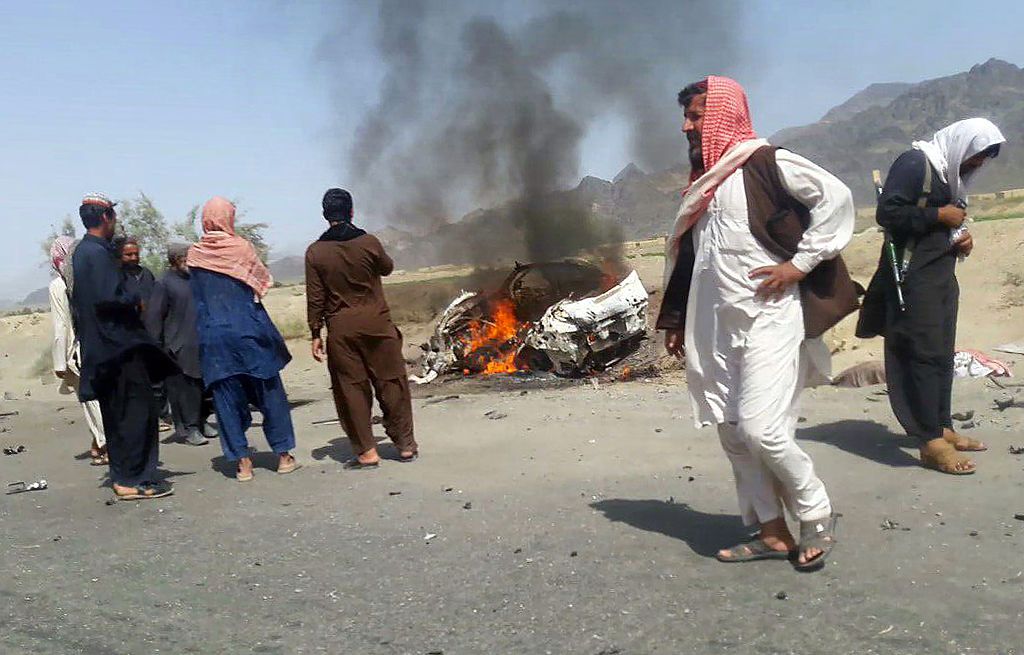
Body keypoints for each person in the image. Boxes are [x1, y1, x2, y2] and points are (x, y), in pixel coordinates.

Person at [657, 77, 859, 571]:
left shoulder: (766, 162)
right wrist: (680, 321)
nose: (687, 126)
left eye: (697, 115)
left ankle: (815, 511)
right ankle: (771, 532)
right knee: (731, 431)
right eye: (686, 116)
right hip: (716, 323)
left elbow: (835, 197)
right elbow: (696, 262)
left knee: (763, 428)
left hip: (771, 316)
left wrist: (800, 264)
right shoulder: (706, 184)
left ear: (723, 115)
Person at [857, 118, 1005, 475]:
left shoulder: (949, 174)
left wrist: (962, 236)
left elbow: (954, 220)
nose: (978, 164)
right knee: (921, 353)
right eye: (976, 156)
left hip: (941, 275)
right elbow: (888, 212)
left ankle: (942, 426)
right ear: (961, 146)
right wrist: (939, 214)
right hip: (913, 276)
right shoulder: (916, 164)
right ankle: (929, 441)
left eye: (983, 159)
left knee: (941, 354)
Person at [71, 193, 177, 500]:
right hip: (118, 349)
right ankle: (135, 480)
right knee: (135, 413)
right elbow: (108, 298)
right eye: (113, 216)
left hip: (105, 349)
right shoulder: (97, 253)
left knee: (119, 416)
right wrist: (134, 300)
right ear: (105, 218)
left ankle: (123, 477)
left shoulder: (85, 252)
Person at [187, 197, 300, 482]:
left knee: (226, 400)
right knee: (270, 393)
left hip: (214, 338)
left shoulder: (194, 256)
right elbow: (261, 284)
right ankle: (284, 456)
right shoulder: (241, 248)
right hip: (249, 332)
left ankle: (243, 464)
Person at [305, 188, 418, 469]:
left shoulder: (315, 252)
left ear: (325, 215)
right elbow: (387, 268)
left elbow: (315, 297)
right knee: (391, 381)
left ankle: (367, 452)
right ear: (352, 211)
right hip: (378, 324)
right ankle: (404, 445)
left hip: (341, 330)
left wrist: (314, 333)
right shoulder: (368, 242)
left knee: (351, 388)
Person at [144, 242, 215, 447]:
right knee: (185, 390)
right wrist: (157, 349)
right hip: (177, 346)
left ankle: (202, 421)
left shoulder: (196, 279)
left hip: (200, 340)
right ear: (176, 260)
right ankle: (189, 428)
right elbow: (155, 317)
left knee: (202, 385)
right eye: (187, 258)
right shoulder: (164, 283)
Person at [48, 236, 107, 465]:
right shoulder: (88, 276)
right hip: (100, 345)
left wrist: (59, 364)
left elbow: (61, 325)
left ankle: (105, 445)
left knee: (91, 401)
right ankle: (99, 444)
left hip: (78, 352)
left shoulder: (58, 285)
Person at [118, 236, 156, 303]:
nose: (134, 258)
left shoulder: (146, 273)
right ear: (119, 255)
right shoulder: (116, 275)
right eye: (129, 255)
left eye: (136, 254)